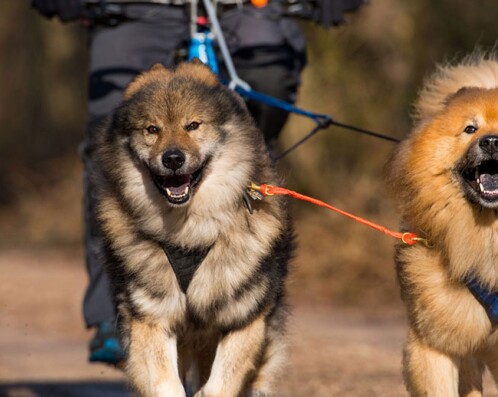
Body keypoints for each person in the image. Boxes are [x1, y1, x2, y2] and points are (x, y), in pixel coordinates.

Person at [31, 0, 362, 365]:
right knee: (108, 138)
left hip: (243, 7)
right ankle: (114, 307)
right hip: (138, 7)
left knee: (269, 80)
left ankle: (250, 288)